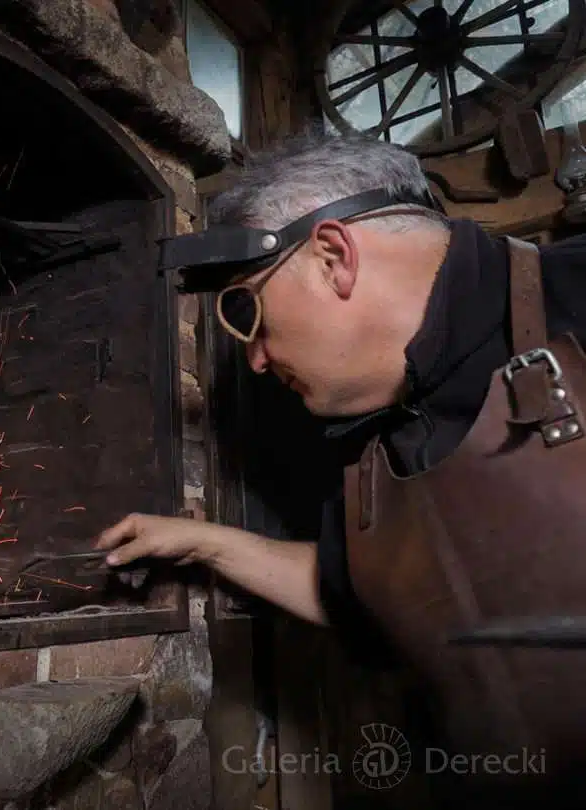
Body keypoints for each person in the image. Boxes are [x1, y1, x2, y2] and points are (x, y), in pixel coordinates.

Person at [94, 129, 586, 807]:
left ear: (333, 257)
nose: (256, 358)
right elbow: (353, 591)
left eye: (246, 308)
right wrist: (203, 542)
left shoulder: (576, 292)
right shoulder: (382, 444)